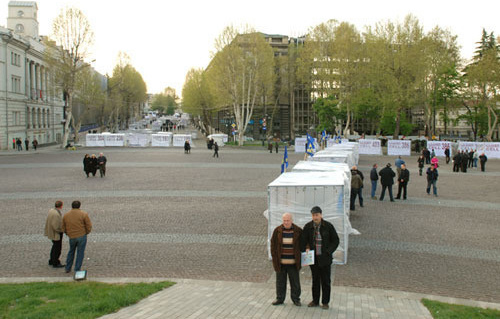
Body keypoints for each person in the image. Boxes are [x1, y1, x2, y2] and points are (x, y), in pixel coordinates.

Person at [301, 206, 339, 310]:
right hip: (313, 259)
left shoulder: (328, 226)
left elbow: (335, 240)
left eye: (317, 215)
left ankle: (325, 302)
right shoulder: (308, 226)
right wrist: (307, 247)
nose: (315, 217)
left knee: (326, 281)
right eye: (313, 215)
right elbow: (303, 240)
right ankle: (315, 300)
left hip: (325, 259)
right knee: (315, 280)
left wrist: (328, 252)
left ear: (321, 215)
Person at [270, 213, 302, 307]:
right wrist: (274, 257)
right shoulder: (277, 231)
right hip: (281, 263)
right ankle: (280, 299)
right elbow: (273, 245)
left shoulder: (298, 230)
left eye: (288, 220)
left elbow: (304, 242)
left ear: (292, 220)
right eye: (284, 220)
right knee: (280, 282)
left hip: (293, 263)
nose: (286, 222)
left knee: (295, 283)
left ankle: (296, 299)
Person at [62, 200, 92, 273]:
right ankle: (77, 268)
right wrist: (86, 232)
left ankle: (68, 268)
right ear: (79, 206)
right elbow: (89, 225)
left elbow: (63, 227)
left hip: (71, 236)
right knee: (80, 253)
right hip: (81, 235)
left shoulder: (66, 215)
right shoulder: (83, 214)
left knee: (71, 251)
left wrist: (68, 233)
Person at [44, 200, 65, 268]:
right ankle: (55, 262)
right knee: (57, 248)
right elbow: (56, 226)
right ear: (61, 206)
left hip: (52, 232)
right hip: (56, 234)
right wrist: (61, 230)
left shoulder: (52, 211)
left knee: (54, 247)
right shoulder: (56, 214)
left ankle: (52, 260)